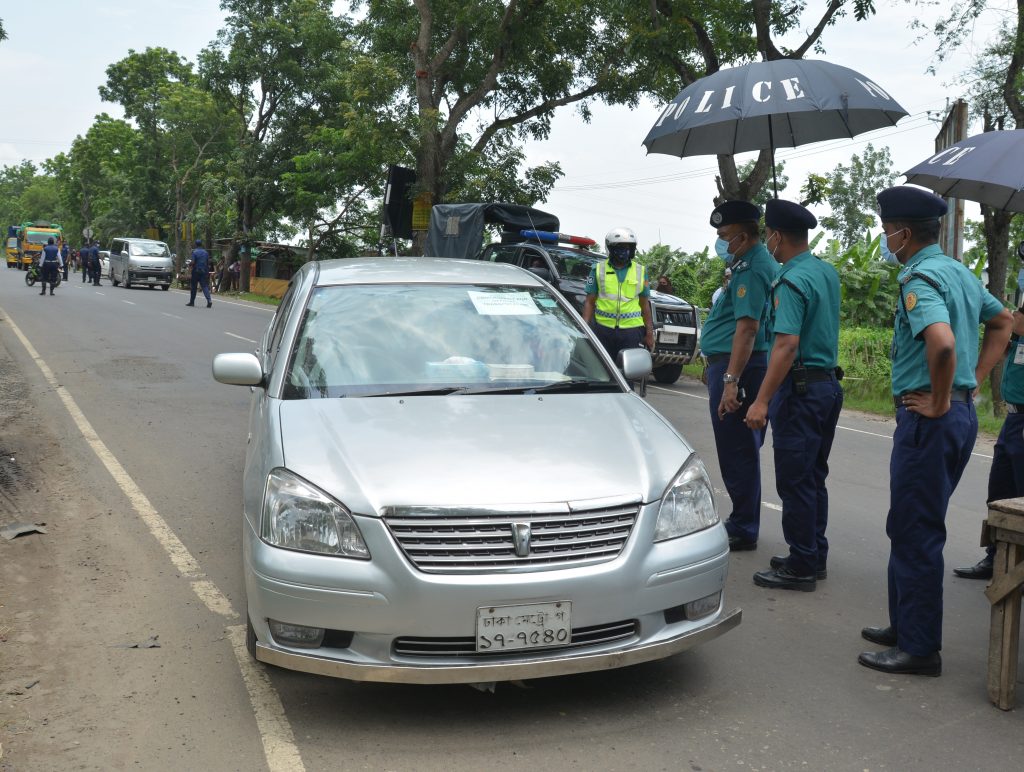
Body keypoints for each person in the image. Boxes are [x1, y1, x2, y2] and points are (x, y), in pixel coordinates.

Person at [857, 186, 1011, 677]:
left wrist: (944, 397)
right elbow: (1004, 322)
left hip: (932, 418)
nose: (885, 239)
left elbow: (941, 344)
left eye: (886, 231)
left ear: (902, 233)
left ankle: (919, 648)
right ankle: (903, 624)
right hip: (957, 416)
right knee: (908, 522)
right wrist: (976, 381)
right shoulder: (960, 273)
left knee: (916, 529)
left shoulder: (920, 276)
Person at [743, 200, 842, 591]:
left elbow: (785, 346)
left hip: (800, 391)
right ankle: (812, 553)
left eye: (768, 234)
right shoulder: (825, 271)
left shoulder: (790, 280)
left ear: (777, 236)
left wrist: (762, 400)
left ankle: (801, 566)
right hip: (826, 387)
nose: (767, 240)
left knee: (795, 481)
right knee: (814, 476)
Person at [701, 201, 777, 551]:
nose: (721, 242)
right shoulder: (744, 263)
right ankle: (742, 518)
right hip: (731, 364)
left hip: (740, 369)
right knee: (737, 446)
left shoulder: (752, 268)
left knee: (737, 449)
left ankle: (745, 525)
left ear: (743, 236)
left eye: (725, 236)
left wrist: (731, 380)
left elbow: (747, 328)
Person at [954, 306, 1024, 580]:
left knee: (1021, 497)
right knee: (1000, 493)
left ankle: (1017, 571)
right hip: (1013, 418)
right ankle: (997, 559)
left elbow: (1009, 322)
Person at [582, 227, 654, 362]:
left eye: (627, 247)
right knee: (603, 371)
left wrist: (649, 333)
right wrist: (584, 327)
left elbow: (645, 305)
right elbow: (589, 302)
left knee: (628, 372)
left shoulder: (640, 271)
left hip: (631, 331)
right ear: (611, 249)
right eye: (619, 247)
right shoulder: (598, 269)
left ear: (632, 250)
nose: (623, 251)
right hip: (603, 330)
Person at [187, 239, 213, 308]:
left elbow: (193, 262)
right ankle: (209, 300)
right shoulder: (206, 252)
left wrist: (189, 264)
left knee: (193, 287)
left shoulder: (194, 252)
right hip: (204, 271)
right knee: (204, 286)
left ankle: (192, 302)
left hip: (196, 271)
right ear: (201, 244)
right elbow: (208, 262)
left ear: (195, 244)